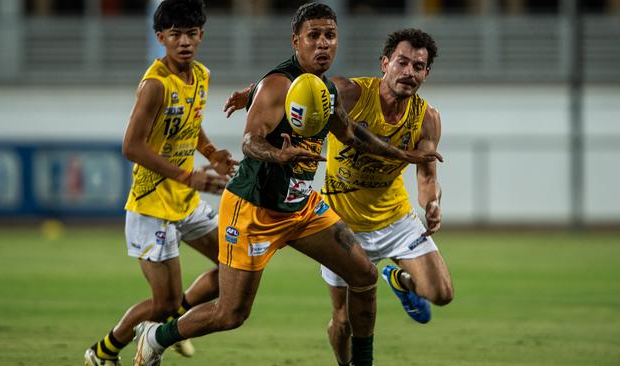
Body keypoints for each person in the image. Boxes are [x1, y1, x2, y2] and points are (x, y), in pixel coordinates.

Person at [132, 3, 442, 366]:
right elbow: (250, 140)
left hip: (300, 207)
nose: (323, 44)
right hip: (253, 209)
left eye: (330, 35)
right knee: (231, 314)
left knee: (364, 274)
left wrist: (399, 154)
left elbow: (351, 133)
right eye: (314, 36)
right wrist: (277, 155)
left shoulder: (325, 88)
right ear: (297, 41)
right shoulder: (278, 83)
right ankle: (156, 336)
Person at [225, 28, 454, 366]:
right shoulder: (349, 93)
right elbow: (299, 86)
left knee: (441, 294)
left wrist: (432, 204)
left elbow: (426, 173)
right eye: (402, 62)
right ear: (385, 63)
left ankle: (398, 278)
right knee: (343, 321)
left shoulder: (427, 118)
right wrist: (254, 91)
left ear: (426, 73)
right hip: (342, 224)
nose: (409, 72)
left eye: (418, 67)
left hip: (396, 220)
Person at [83, 1, 236, 365]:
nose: (184, 41)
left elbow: (190, 122)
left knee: (236, 262)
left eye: (190, 33)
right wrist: (189, 175)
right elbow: (131, 146)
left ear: (201, 35)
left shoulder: (200, 74)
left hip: (184, 202)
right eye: (175, 34)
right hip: (151, 206)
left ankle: (167, 323)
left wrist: (212, 152)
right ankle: (102, 352)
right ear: (161, 37)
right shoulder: (154, 85)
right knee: (163, 301)